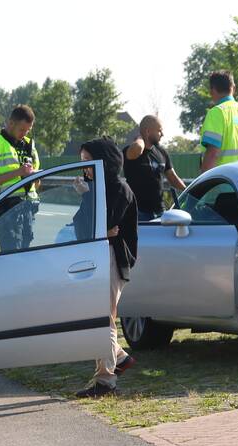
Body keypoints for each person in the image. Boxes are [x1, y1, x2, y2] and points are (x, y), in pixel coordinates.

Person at [71, 137, 139, 399]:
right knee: (102, 316)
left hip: (113, 257)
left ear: (103, 161)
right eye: (82, 163)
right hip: (98, 255)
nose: (84, 169)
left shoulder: (119, 188)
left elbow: (106, 225)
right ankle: (119, 359)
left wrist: (100, 228)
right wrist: (99, 227)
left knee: (103, 318)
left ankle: (106, 380)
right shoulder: (95, 188)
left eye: (88, 162)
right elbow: (83, 227)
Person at [0, 105, 41, 251]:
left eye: (28, 130)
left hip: (28, 209)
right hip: (6, 211)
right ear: (11, 123)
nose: (24, 133)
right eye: (21, 129)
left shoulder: (30, 146)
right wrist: (18, 172)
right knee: (12, 257)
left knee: (24, 257)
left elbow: (37, 182)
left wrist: (34, 178)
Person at [123, 115, 186, 221]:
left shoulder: (161, 152)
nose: (163, 134)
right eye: (159, 131)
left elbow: (173, 178)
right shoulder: (130, 151)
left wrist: (188, 191)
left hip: (160, 212)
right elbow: (138, 148)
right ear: (148, 131)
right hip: (138, 213)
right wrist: (140, 138)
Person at [198, 70, 238, 173]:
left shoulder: (216, 113)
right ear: (233, 88)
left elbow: (213, 154)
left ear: (212, 90)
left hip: (223, 182)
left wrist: (203, 184)